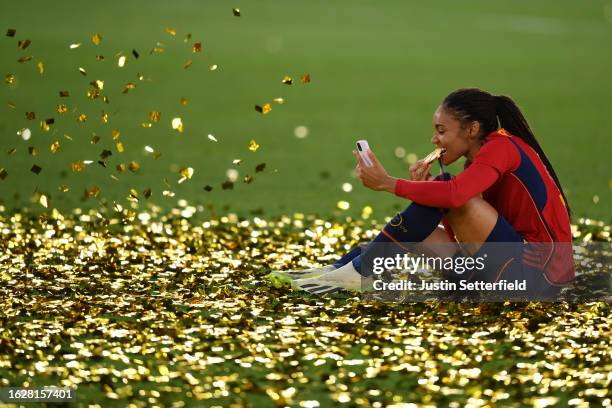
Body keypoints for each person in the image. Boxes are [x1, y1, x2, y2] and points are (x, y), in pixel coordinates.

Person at [269, 88, 574, 298]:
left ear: (472, 129)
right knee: (419, 230)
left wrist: (389, 183)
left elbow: (455, 197)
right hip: (511, 273)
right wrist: (429, 189)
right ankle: (343, 268)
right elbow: (465, 226)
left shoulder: (501, 147)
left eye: (441, 130)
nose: (434, 139)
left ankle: (356, 271)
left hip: (537, 279)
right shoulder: (480, 161)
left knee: (444, 192)